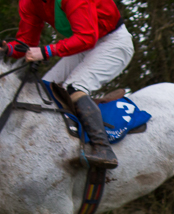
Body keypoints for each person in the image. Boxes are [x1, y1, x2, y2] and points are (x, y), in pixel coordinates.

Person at [3, 0, 134, 169]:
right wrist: (8, 49)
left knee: (75, 87)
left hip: (113, 42)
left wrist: (45, 52)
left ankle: (103, 149)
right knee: (43, 90)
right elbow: (26, 44)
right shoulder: (29, 3)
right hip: (84, 44)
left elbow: (87, 37)